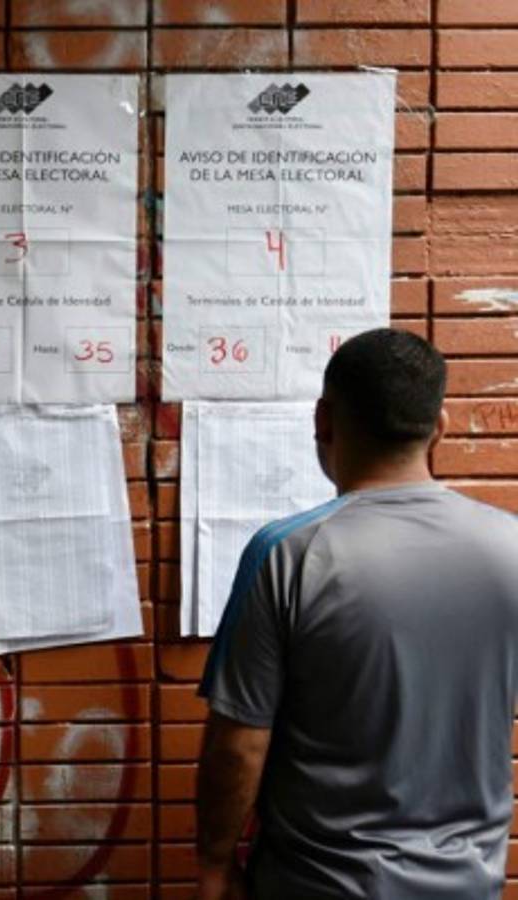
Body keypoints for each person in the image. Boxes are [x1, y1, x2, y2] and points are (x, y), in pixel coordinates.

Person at [194, 328, 518, 899]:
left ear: (323, 420)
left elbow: (238, 745)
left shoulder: (288, 553)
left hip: (318, 885)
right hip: (468, 886)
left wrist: (215, 867)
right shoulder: (509, 546)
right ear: (438, 426)